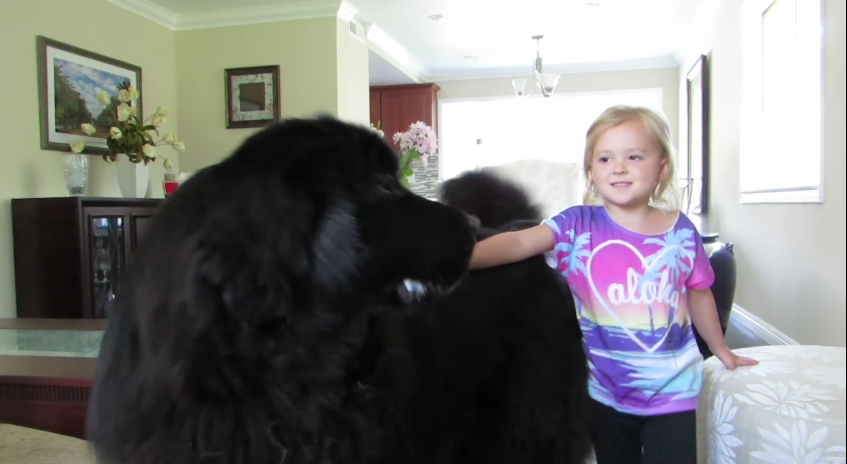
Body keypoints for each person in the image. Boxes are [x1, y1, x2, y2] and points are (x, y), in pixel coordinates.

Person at [468, 105, 758, 464]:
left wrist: (720, 348)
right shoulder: (575, 226)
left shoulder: (681, 231)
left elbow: (698, 294)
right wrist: (461, 256)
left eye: (634, 156)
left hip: (673, 391)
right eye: (605, 158)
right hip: (606, 392)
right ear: (590, 170)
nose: (618, 167)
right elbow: (517, 243)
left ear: (661, 167)